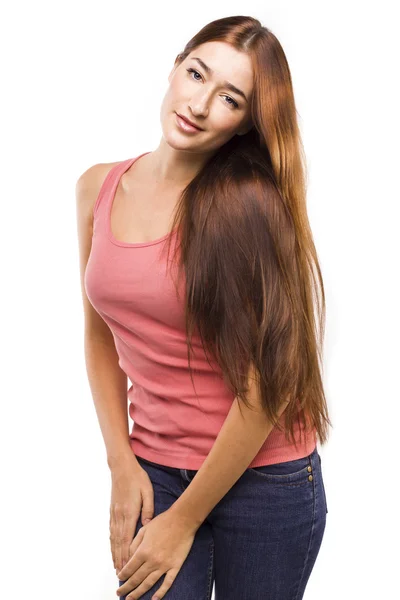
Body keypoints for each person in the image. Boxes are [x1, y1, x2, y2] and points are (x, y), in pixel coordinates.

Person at [76, 15, 331, 600]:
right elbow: (99, 337)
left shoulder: (249, 207)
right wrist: (121, 464)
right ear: (174, 66)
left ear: (244, 123)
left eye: (230, 98)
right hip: (154, 470)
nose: (199, 103)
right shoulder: (97, 187)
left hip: (266, 481)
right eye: (196, 73)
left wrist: (185, 520)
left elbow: (266, 385)